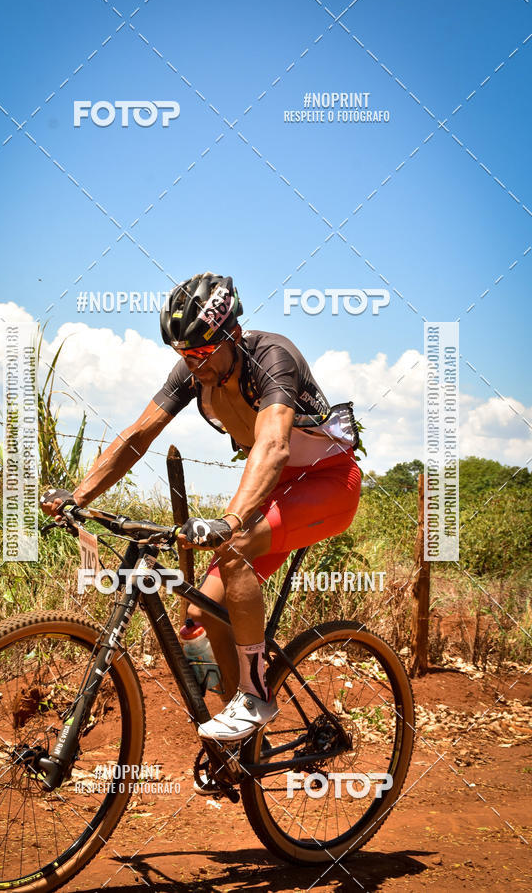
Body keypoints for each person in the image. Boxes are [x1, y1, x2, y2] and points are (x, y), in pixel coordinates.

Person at [40, 272, 361, 744]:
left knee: (236, 548)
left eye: (200, 354)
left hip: (329, 482)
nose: (192, 366)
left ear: (231, 333)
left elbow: (272, 446)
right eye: (182, 355)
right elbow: (138, 435)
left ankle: (254, 696)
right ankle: (245, 736)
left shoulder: (273, 358)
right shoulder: (196, 369)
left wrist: (230, 523)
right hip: (277, 486)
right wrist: (79, 495)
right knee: (204, 604)